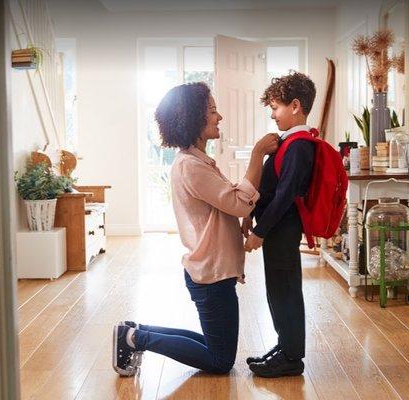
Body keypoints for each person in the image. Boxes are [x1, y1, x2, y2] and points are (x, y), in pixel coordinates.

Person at [112, 82, 279, 377]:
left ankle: (134, 331)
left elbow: (226, 204)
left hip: (210, 271)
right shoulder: (191, 166)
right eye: (212, 111)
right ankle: (137, 339)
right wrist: (257, 155)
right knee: (220, 360)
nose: (220, 117)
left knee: (215, 345)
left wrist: (241, 215)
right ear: (193, 119)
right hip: (211, 274)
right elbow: (239, 203)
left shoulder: (197, 161)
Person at [243, 71, 317, 378]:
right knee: (277, 289)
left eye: (276, 107)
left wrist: (260, 231)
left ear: (295, 106)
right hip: (278, 229)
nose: (273, 115)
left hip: (282, 229)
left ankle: (291, 357)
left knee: (285, 290)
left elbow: (286, 194)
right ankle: (284, 346)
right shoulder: (289, 142)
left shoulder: (299, 145)